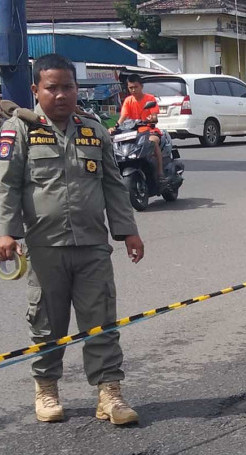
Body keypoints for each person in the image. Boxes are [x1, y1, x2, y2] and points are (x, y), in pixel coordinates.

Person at [0, 54, 145, 425]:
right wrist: (6, 231)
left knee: (102, 320)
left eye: (68, 86)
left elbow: (113, 183)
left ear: (76, 89)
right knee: (47, 322)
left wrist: (128, 230)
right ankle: (46, 389)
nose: (61, 94)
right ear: (36, 90)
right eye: (52, 88)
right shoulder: (20, 129)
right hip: (45, 246)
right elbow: (8, 184)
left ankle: (109, 393)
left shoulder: (92, 128)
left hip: (93, 245)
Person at [110, 74, 166, 192]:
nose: (133, 90)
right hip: (133, 133)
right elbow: (123, 117)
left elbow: (154, 116)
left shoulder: (150, 99)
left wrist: (151, 119)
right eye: (130, 88)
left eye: (135, 87)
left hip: (149, 131)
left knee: (153, 143)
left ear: (141, 86)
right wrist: (114, 127)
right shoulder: (128, 100)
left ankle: (160, 174)